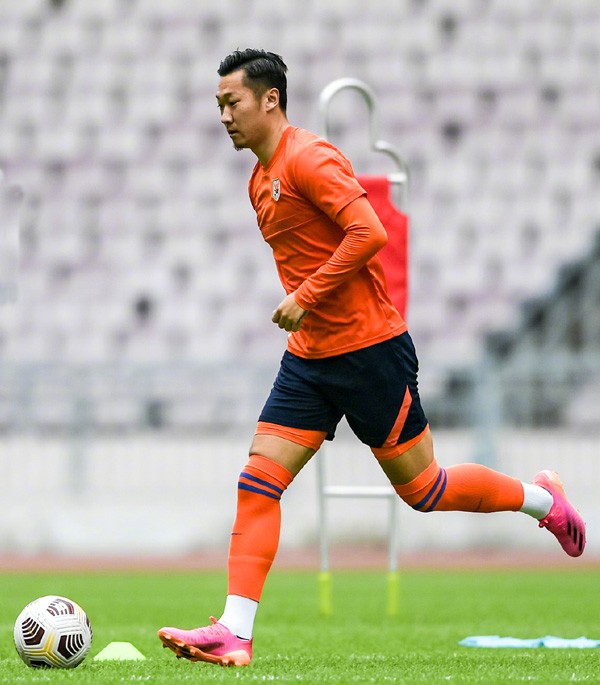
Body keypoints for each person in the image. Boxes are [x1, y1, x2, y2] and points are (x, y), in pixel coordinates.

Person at [158, 49, 586, 667]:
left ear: (270, 99)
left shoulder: (309, 157)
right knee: (257, 482)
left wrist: (305, 296)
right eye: (218, 104)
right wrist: (307, 309)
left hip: (369, 352)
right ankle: (234, 631)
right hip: (309, 359)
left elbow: (370, 231)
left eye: (232, 102)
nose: (222, 115)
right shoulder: (258, 180)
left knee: (425, 489)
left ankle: (544, 501)